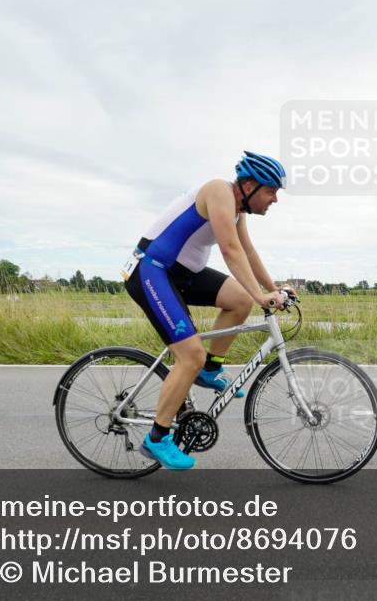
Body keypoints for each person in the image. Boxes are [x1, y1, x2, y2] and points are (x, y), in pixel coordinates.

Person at [122, 151, 296, 470]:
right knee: (190, 355)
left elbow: (247, 252)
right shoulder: (218, 191)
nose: (275, 199)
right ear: (249, 187)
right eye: (271, 191)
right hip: (152, 270)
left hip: (183, 274)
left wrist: (273, 290)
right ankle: (157, 438)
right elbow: (230, 251)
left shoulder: (237, 210)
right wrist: (261, 296)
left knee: (240, 300)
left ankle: (210, 370)